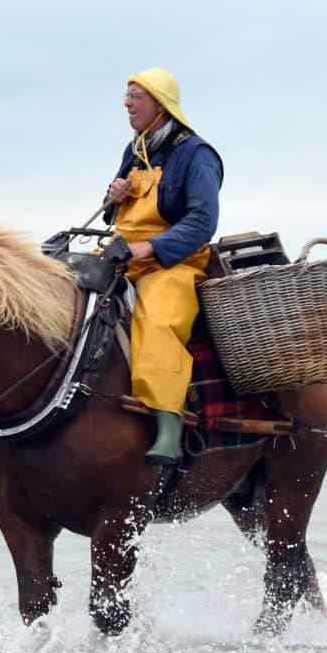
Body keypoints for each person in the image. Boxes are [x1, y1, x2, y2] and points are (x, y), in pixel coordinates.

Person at [103, 67, 223, 465]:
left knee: (156, 320)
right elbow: (114, 214)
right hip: (125, 255)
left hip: (176, 264)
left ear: (159, 103)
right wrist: (112, 196)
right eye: (127, 95)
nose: (126, 103)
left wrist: (151, 247)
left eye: (135, 96)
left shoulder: (197, 154)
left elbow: (202, 222)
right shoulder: (135, 148)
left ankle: (169, 425)